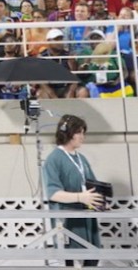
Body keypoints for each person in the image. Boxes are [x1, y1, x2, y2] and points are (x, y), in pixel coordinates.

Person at [42, 114, 103, 266]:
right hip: (68, 221)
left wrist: (100, 199)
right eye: (78, 132)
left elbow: (92, 186)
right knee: (72, 259)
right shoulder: (54, 159)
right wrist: (80, 197)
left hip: (87, 217)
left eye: (83, 132)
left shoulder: (82, 159)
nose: (82, 137)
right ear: (68, 133)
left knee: (92, 258)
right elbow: (53, 193)